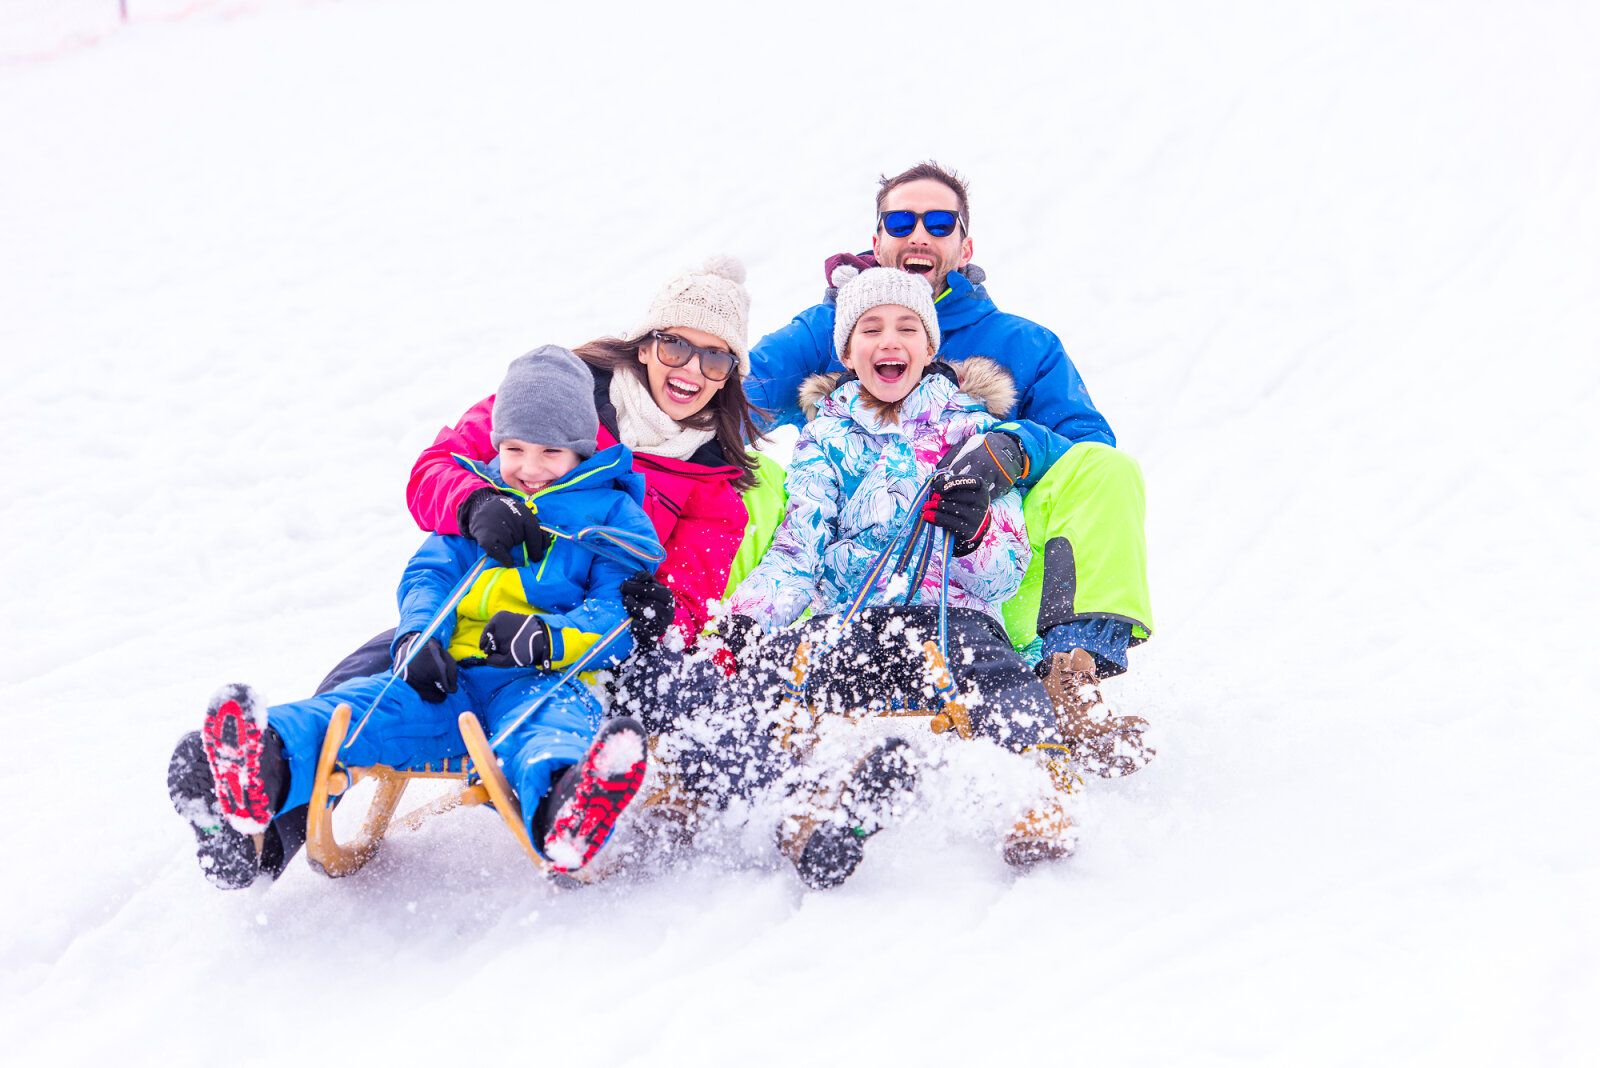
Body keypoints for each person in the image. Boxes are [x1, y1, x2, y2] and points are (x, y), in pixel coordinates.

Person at [642, 267, 1075, 889]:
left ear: (930, 349)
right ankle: (792, 808)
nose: (888, 341)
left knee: (998, 675)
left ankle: (1039, 792)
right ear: (847, 351)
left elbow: (1005, 573)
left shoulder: (973, 433)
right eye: (869, 329)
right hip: (850, 619)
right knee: (771, 672)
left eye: (906, 328)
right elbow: (797, 551)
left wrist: (976, 528)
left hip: (947, 617)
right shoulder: (824, 439)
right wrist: (745, 621)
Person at [167, 346, 661, 888]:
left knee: (553, 730)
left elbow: (616, 614)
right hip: (448, 676)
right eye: (515, 448)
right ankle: (254, 764)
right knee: (359, 711)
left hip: (544, 677)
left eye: (550, 451)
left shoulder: (613, 518)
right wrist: (418, 638)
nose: (529, 467)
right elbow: (429, 576)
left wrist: (546, 638)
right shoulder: (483, 496)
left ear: (582, 450)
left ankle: (569, 810)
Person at [745, 162, 1155, 714]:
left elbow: (1086, 445)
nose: (919, 234)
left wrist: (1013, 448)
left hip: (982, 578)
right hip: (845, 590)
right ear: (877, 239)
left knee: (1110, 471)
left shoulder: (1021, 343)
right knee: (744, 478)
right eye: (901, 221)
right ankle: (709, 651)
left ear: (964, 246)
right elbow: (727, 396)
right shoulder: (828, 328)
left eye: (940, 223)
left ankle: (1070, 678)